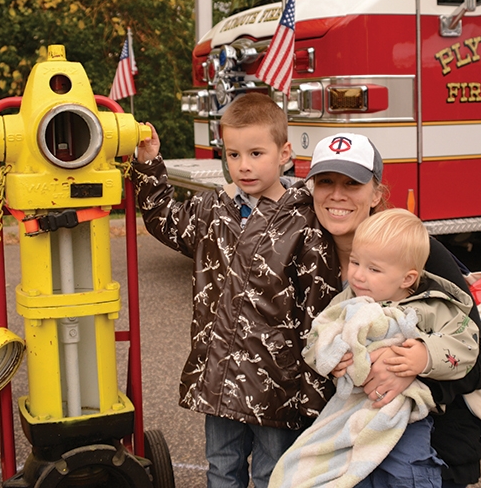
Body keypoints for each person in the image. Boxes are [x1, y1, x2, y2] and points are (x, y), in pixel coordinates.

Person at [131, 93, 342, 488]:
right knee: (221, 470)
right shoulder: (213, 211)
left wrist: (315, 396)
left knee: (270, 474)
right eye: (232, 155)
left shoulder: (305, 224)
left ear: (284, 154)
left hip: (276, 387)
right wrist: (148, 163)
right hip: (220, 378)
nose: (243, 166)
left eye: (256, 153)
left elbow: (319, 312)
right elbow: (163, 219)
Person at [306, 132, 481, 488]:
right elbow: (308, 344)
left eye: (352, 183)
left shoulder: (417, 251)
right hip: (343, 428)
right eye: (325, 181)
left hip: (427, 430)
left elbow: (478, 361)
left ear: (377, 193)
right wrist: (332, 360)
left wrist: (414, 368)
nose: (337, 194)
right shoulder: (306, 257)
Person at [270, 208, 479, 488]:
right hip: (350, 409)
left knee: (407, 469)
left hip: (406, 416)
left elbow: (466, 345)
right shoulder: (348, 302)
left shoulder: (430, 306)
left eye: (374, 269)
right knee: (322, 466)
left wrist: (425, 354)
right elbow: (318, 335)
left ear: (407, 279)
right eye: (355, 263)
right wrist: (331, 357)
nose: (358, 276)